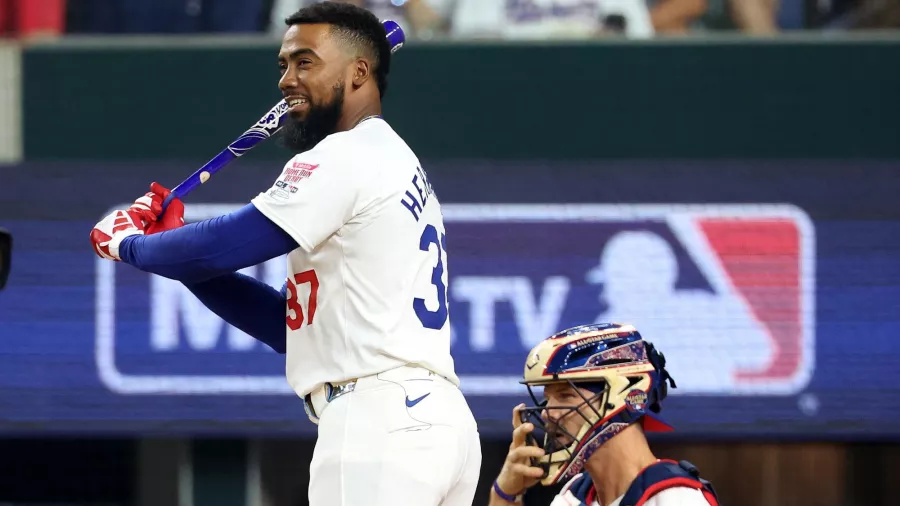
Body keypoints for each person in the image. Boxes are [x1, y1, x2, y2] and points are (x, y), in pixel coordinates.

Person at [88, 2, 481, 505]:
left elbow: (230, 244)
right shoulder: (391, 157)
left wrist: (130, 245)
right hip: (437, 424)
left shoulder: (346, 154)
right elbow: (284, 326)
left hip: (378, 424)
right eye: (283, 64)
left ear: (360, 72)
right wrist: (177, 252)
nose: (287, 79)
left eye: (305, 62)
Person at [489, 322, 720, 506]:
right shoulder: (574, 495)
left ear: (622, 393)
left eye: (566, 395)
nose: (548, 414)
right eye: (548, 399)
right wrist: (505, 494)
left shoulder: (677, 500)